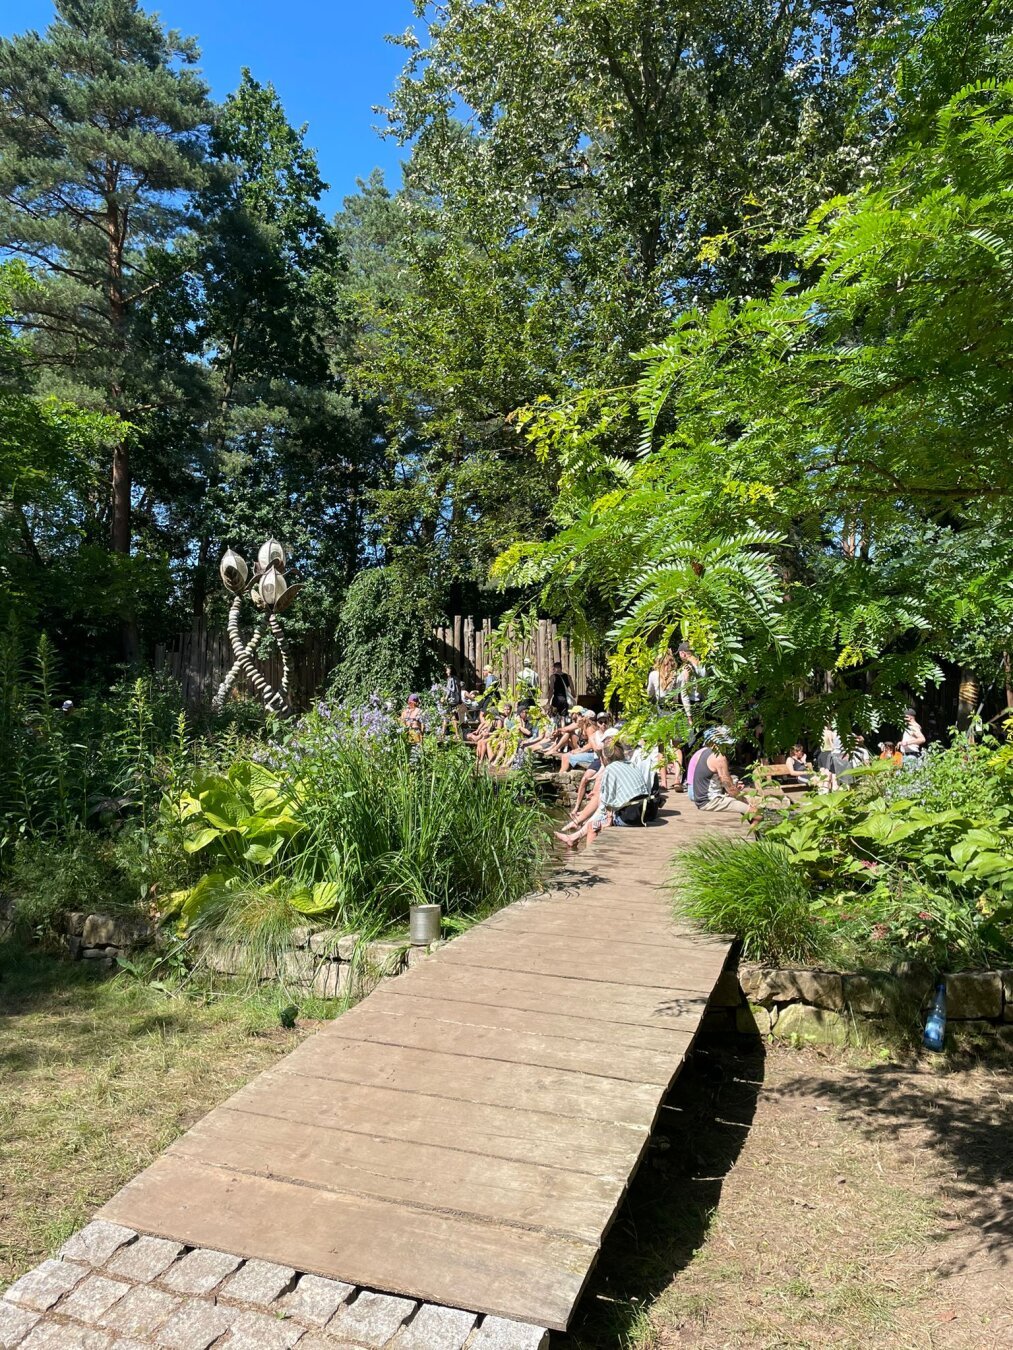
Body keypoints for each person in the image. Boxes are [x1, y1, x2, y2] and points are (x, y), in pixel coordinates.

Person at [554, 740, 652, 849]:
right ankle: (573, 838)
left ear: (604, 757)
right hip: (646, 810)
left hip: (631, 816)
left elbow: (606, 803)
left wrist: (607, 819)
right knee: (598, 819)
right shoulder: (631, 764)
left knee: (593, 827)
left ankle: (589, 859)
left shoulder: (610, 769)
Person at [691, 726, 751, 815]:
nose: (729, 746)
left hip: (701, 799)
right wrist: (746, 802)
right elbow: (730, 789)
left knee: (748, 797)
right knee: (756, 813)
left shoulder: (705, 752)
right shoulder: (719, 757)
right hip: (710, 801)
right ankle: (754, 828)